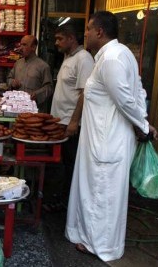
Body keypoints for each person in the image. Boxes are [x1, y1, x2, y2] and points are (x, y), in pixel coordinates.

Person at [65, 11, 158, 261]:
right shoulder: (116, 54)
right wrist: (142, 120)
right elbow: (139, 91)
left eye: (87, 28)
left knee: (101, 194)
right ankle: (91, 239)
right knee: (99, 192)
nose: (84, 33)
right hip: (103, 139)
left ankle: (100, 246)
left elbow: (127, 98)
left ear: (100, 32)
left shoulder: (113, 59)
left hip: (107, 141)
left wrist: (143, 124)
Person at [50, 22, 94, 204]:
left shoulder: (84, 59)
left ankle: (66, 203)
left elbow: (85, 93)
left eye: (60, 39)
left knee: (69, 164)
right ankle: (58, 198)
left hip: (70, 123)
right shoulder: (68, 57)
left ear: (71, 39)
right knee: (58, 162)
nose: (56, 43)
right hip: (59, 120)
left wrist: (74, 122)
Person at [7, 35, 53, 112]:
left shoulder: (43, 66)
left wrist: (37, 95)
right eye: (20, 45)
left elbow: (49, 88)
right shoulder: (18, 63)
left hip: (34, 112)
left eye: (24, 45)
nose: (21, 48)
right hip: (16, 109)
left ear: (33, 47)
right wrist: (12, 83)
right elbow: (9, 79)